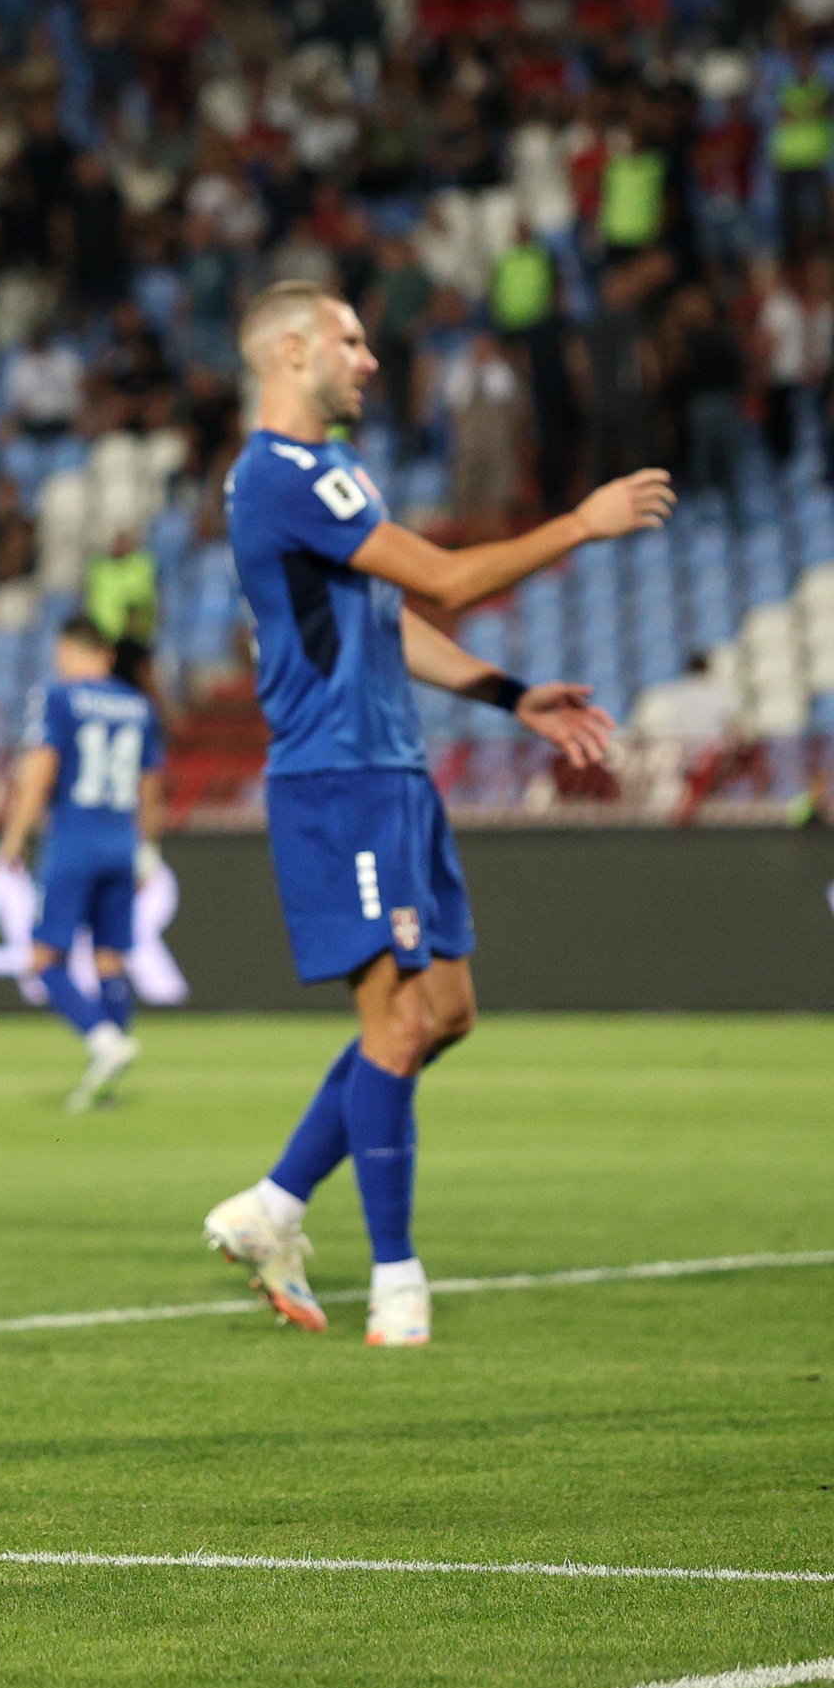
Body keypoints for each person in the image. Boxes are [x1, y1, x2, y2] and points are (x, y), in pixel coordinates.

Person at [204, 282, 671, 1347]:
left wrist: (511, 695)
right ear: (287, 350)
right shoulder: (274, 476)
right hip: (334, 779)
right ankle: (397, 1285)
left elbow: (395, 617)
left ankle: (272, 1206)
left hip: (393, 773)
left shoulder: (333, 474)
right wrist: (579, 525)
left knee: (444, 1014)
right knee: (398, 1025)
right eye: (350, 340)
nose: (369, 360)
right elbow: (451, 576)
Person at [0, 614, 165, 1112]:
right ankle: (109, 1075)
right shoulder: (139, 706)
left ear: (69, 648)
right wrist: (148, 846)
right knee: (111, 959)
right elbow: (151, 785)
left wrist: (14, 839)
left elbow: (41, 771)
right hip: (122, 843)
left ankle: (103, 1040)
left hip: (74, 840)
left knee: (43, 961)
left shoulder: (59, 698)